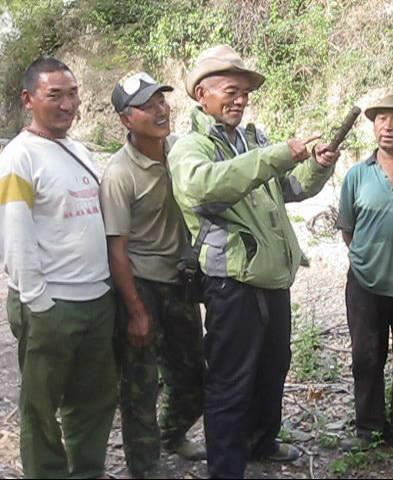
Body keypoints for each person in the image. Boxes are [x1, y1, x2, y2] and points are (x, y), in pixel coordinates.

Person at [168, 44, 340, 478]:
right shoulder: (190, 146)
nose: (240, 99)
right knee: (230, 380)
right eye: (231, 90)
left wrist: (316, 167)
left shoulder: (252, 139)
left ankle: (262, 440)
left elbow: (291, 189)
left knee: (273, 367)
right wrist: (278, 154)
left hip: (271, 278)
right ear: (201, 94)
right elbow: (202, 188)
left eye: (245, 92)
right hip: (231, 283)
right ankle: (227, 467)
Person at [0, 57, 117, 478]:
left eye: (73, 93)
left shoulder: (80, 150)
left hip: (97, 298)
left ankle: (87, 471)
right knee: (41, 409)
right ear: (28, 99)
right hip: (53, 304)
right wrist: (39, 302)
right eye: (55, 95)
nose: (68, 104)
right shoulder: (18, 158)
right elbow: (15, 234)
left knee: (94, 400)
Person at [99, 72, 206, 478]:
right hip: (140, 284)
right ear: (127, 119)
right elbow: (116, 250)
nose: (161, 110)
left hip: (179, 280)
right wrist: (136, 310)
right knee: (140, 385)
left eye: (162, 100)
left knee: (193, 372)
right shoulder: (119, 174)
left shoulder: (179, 151)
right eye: (148, 105)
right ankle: (145, 467)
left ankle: (172, 433)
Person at [336, 87, 393, 458]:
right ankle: (368, 428)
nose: (386, 127)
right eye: (380, 119)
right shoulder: (358, 175)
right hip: (365, 285)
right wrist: (369, 260)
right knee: (366, 356)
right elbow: (349, 229)